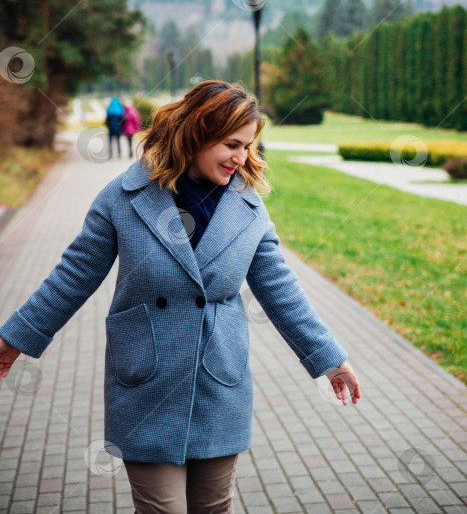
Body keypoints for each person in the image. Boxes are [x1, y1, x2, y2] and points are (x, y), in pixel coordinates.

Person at [0, 80, 361, 514]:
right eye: (231, 144)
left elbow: (281, 290)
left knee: (213, 508)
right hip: (145, 383)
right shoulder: (123, 197)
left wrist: (328, 358)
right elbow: (73, 275)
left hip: (218, 383)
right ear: (197, 132)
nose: (241, 158)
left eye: (248, 147)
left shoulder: (249, 208)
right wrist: (14, 338)